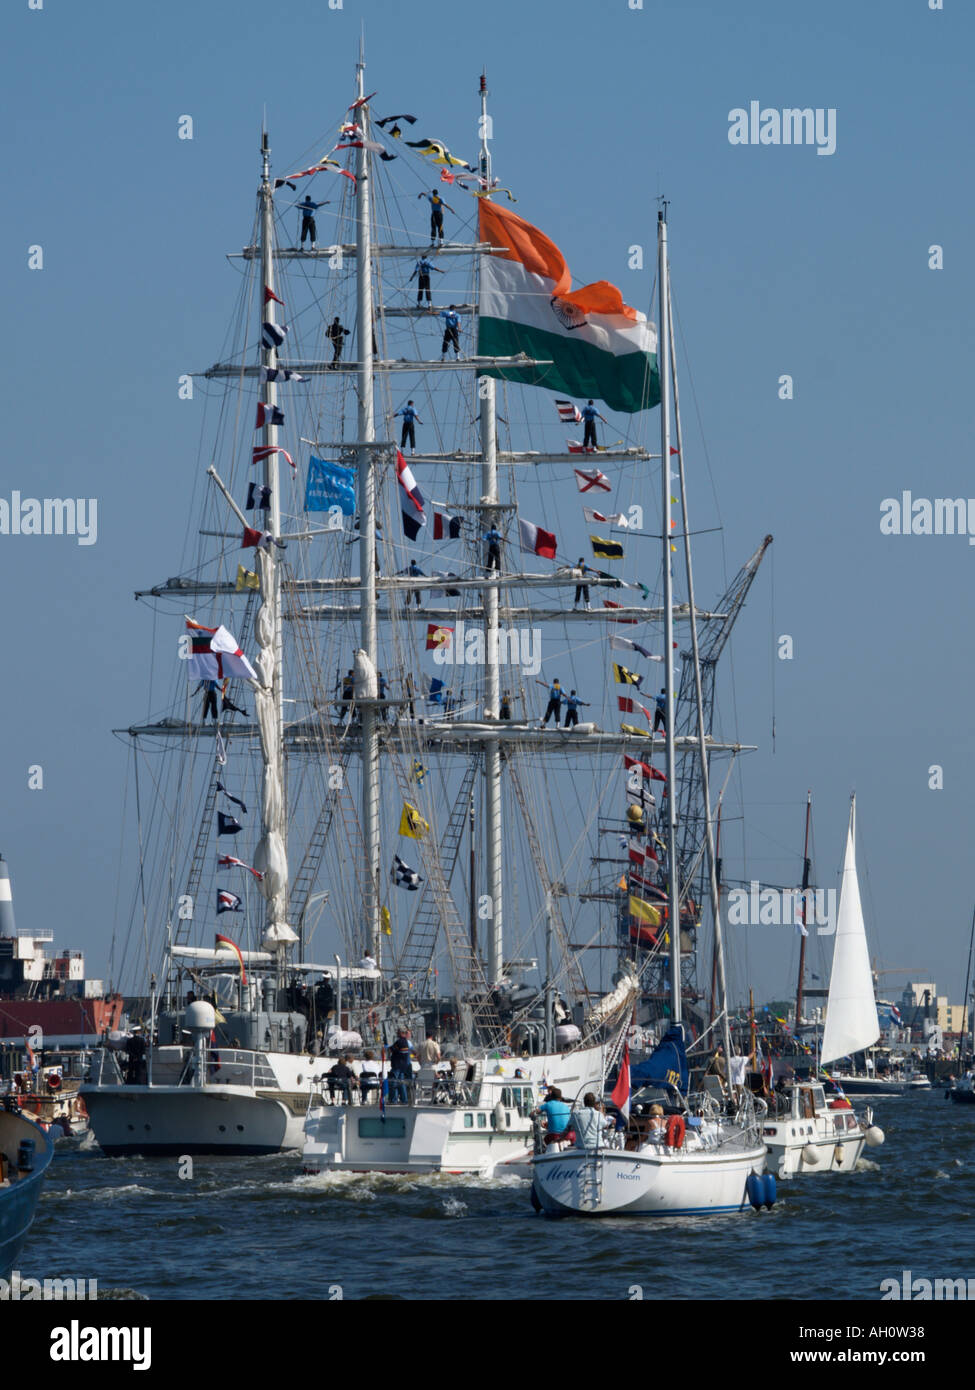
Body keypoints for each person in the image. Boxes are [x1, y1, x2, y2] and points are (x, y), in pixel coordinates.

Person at [389, 1029, 415, 1104]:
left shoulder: (399, 1042)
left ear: (401, 1033)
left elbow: (391, 1050)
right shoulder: (406, 1042)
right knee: (401, 1084)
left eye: (398, 1032)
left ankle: (393, 1100)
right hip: (403, 1066)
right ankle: (404, 1100)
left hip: (397, 1066)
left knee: (393, 1082)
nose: (397, 1033)